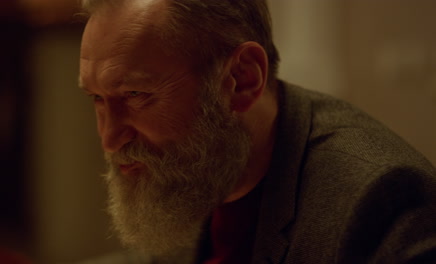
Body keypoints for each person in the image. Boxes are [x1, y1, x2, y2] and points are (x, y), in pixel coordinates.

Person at [78, 0, 436, 263]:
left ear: (241, 80)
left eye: (135, 95)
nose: (108, 138)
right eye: (96, 97)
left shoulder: (383, 202)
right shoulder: (198, 167)